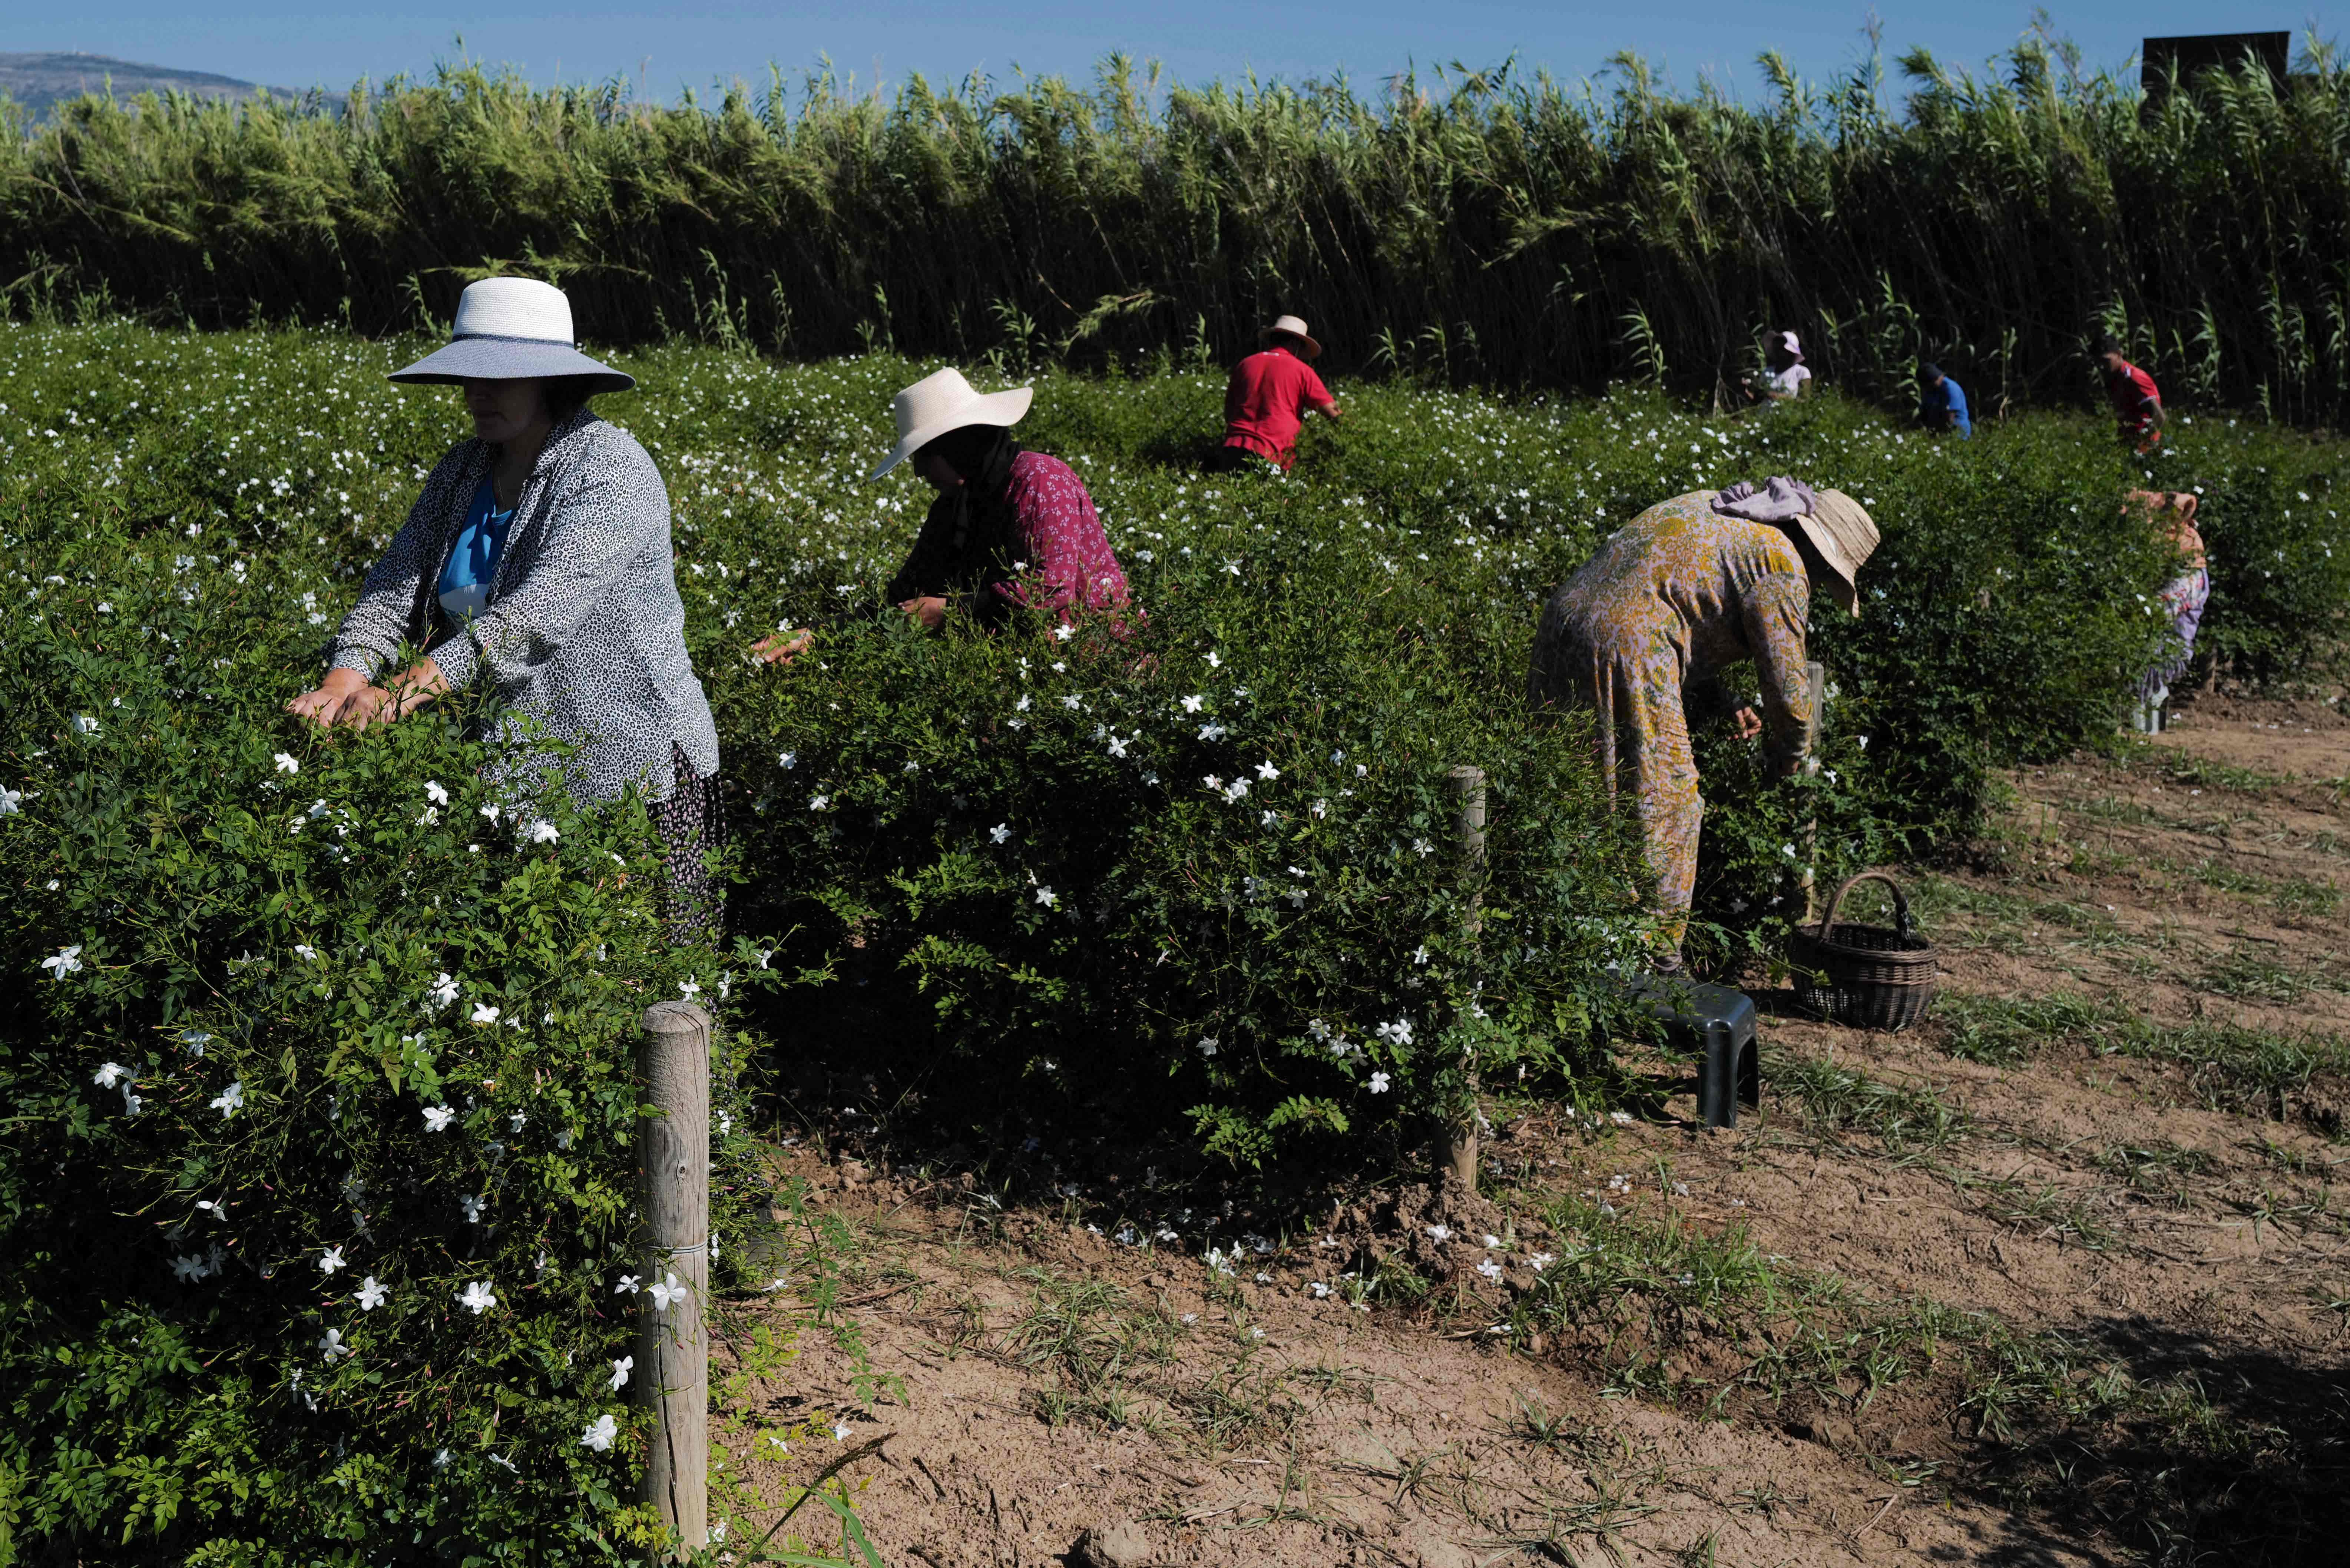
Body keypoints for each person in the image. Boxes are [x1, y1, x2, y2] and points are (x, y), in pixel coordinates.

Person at [288, 276, 724, 939]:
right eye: (470, 376)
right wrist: (342, 682)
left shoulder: (611, 469)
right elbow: (393, 586)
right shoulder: (464, 470)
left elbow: (534, 618)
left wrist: (399, 694)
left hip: (625, 769)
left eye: (502, 378)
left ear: (552, 380)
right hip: (508, 766)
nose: (477, 394)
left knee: (642, 983)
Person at [1528, 479, 1879, 970]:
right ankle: (1653, 961)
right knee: (1668, 803)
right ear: (1820, 556)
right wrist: (1786, 763)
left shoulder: (1716, 511)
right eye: (1825, 578)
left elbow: (1670, 597)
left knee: (1572, 787)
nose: (1819, 584)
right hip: (1626, 651)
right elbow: (1792, 699)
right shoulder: (1780, 565)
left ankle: (1552, 938)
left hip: (1562, 626)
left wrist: (1719, 698)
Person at [753, 367, 1132, 665]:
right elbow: (904, 599)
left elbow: (1050, 590)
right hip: (1009, 666)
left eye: (923, 457)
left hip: (1093, 661)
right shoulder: (955, 505)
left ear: (955, 446)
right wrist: (817, 635)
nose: (920, 473)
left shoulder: (1040, 480)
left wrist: (949, 611)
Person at [1206, 314, 1341, 473]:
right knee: (1271, 496)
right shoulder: (1302, 371)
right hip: (1273, 452)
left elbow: (1229, 413)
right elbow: (1332, 412)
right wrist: (1355, 433)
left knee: (1232, 494)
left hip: (1233, 448)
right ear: (1295, 344)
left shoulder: (1246, 364)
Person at [2127, 489, 2210, 732]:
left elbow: (2161, 606)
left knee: (2152, 653)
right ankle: (2146, 724)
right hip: (2155, 637)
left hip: (2171, 646)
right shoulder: (2155, 544)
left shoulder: (2187, 550)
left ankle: (2146, 727)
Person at [2100, 339, 2165, 453]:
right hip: (2128, 446)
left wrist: (2143, 447)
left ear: (2119, 354)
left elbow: (2159, 418)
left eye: (2106, 361)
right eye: (2098, 362)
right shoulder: (2116, 378)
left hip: (2145, 450)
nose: (2102, 366)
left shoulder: (2135, 378)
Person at [1748, 331, 1812, 402]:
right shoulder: (1767, 372)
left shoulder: (1801, 372)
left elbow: (1805, 400)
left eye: (1782, 349)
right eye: (1777, 348)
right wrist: (1748, 393)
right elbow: (1758, 400)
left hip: (1789, 412)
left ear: (1791, 352)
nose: (1779, 352)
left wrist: (1778, 396)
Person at [1917, 362, 1972, 437]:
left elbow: (1950, 420)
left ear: (1934, 380)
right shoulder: (1932, 390)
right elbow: (1925, 413)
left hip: (1957, 435)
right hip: (1939, 434)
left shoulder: (1951, 389)